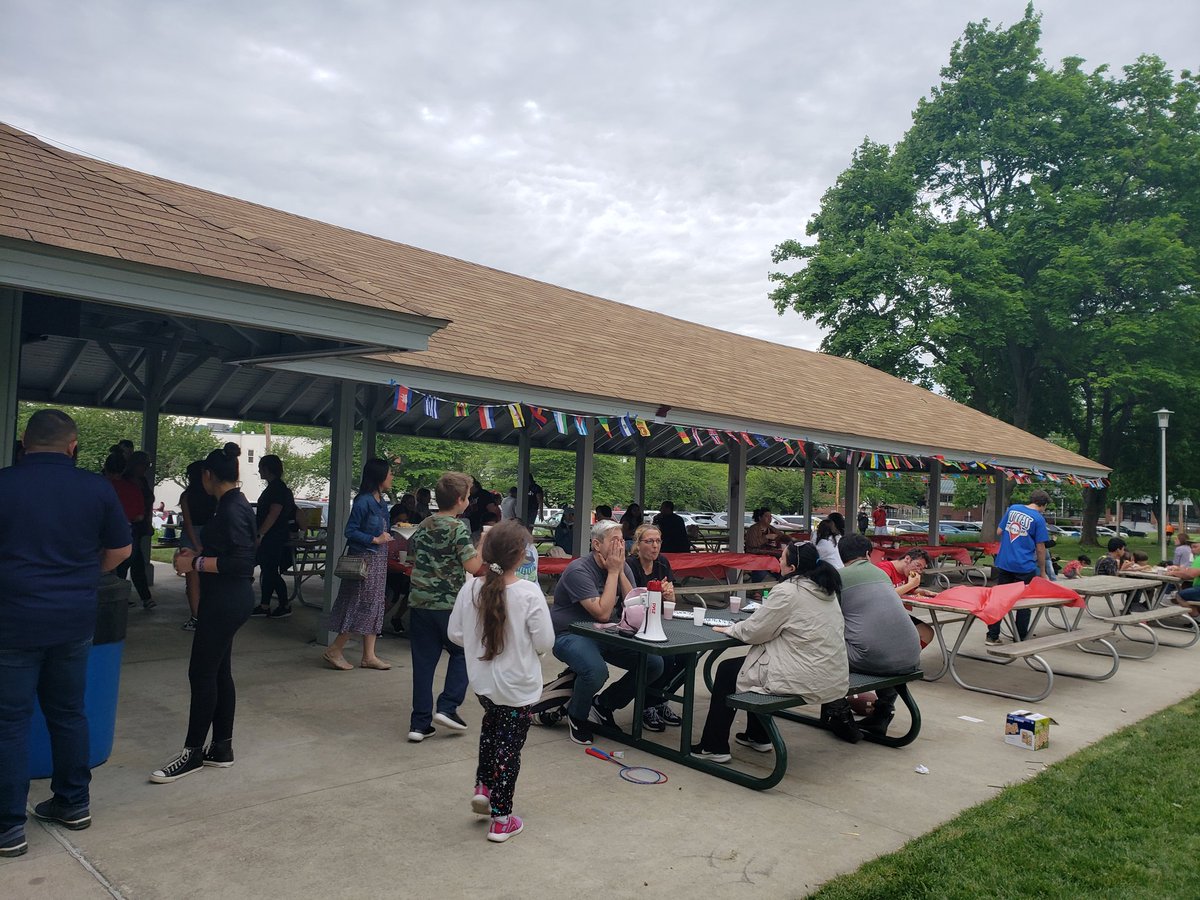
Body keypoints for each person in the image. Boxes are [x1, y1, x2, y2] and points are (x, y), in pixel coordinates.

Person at [0, 410, 132, 858]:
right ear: (73, 446)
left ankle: (7, 830)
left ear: (24, 442)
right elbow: (120, 548)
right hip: (74, 622)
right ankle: (73, 803)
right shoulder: (95, 488)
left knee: (9, 723)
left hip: (12, 624)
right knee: (69, 713)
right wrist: (82, 575)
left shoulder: (3, 484)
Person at [151, 445, 256, 783]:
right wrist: (196, 554)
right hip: (224, 599)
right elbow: (226, 550)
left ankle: (192, 752)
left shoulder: (231, 509)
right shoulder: (230, 505)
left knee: (201, 673)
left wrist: (194, 563)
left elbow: (241, 563)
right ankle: (221, 748)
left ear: (207, 476)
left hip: (227, 601)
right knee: (218, 672)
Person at [692, 542, 854, 762]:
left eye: (782, 557)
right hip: (830, 673)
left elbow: (754, 631)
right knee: (754, 664)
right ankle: (758, 736)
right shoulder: (826, 590)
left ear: (793, 567)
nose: (779, 561)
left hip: (804, 675)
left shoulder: (789, 591)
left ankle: (714, 746)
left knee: (728, 671)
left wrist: (730, 628)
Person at [448, 520, 554, 844]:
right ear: (522, 555)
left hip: (483, 685)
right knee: (509, 747)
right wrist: (533, 652)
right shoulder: (528, 592)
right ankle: (501, 817)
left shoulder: (470, 588)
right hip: (518, 686)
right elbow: (546, 640)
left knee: (491, 727)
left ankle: (484, 785)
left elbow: (455, 634)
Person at [550, 520, 665, 745]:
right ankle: (577, 715)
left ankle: (603, 705)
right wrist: (613, 572)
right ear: (596, 544)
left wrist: (620, 571)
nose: (620, 547)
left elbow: (636, 606)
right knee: (595, 671)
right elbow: (601, 613)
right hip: (570, 634)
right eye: (614, 541)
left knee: (653, 663)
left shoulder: (622, 565)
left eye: (622, 541)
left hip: (607, 633)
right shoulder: (578, 570)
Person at [406, 472, 484, 742]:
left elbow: (413, 555)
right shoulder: (458, 527)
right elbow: (473, 567)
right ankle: (448, 706)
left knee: (423, 663)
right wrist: (483, 544)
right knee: (464, 652)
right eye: (468, 497)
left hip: (419, 602)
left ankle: (419, 724)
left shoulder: (424, 523)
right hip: (449, 605)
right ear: (461, 500)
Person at [837, 535, 922, 736]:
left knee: (825, 650)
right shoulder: (881, 574)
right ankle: (882, 712)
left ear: (841, 556)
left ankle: (839, 714)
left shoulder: (838, 577)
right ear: (868, 554)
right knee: (883, 645)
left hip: (875, 659)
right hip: (912, 655)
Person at [322, 459, 395, 672]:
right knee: (359, 604)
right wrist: (375, 540)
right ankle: (335, 649)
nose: (392, 477)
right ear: (379, 476)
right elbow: (350, 531)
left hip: (379, 560)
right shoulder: (363, 501)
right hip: (365, 559)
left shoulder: (381, 501)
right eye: (390, 473)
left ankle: (369, 655)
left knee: (374, 605)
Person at [627, 524, 683, 731]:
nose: (655, 546)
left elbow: (671, 603)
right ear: (638, 545)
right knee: (665, 658)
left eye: (658, 541)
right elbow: (631, 602)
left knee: (687, 657)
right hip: (635, 626)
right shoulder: (630, 565)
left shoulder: (662, 563)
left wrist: (669, 596)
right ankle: (647, 706)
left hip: (659, 623)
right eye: (649, 541)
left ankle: (660, 700)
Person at [985, 489, 1051, 646]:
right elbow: (1040, 547)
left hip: (1004, 562)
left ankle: (992, 635)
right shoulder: (1038, 519)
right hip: (1024, 565)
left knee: (1000, 599)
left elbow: (999, 530)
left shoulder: (1013, 508)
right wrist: (1042, 571)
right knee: (1024, 603)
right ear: (1044, 505)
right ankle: (1020, 636)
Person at [103, 452, 154, 609]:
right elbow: (139, 511)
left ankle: (119, 595)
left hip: (119, 527)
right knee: (129, 561)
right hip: (131, 527)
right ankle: (125, 595)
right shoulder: (130, 485)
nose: (145, 469)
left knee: (125, 562)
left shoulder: (105, 485)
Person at [250, 454, 295, 619]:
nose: (259, 470)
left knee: (270, 571)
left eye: (261, 467)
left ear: (267, 469)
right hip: (274, 535)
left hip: (273, 536)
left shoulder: (277, 490)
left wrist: (260, 534)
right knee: (267, 571)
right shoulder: (276, 488)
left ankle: (285, 604)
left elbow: (273, 514)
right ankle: (265, 605)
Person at [178, 460, 217, 631]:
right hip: (210, 534)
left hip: (191, 536)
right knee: (208, 578)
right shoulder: (213, 495)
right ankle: (210, 615)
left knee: (192, 580)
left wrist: (195, 544)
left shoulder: (187, 496)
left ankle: (195, 617)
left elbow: (187, 522)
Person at [874, 548, 936, 648]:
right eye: (918, 565)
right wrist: (911, 584)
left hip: (896, 613)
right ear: (907, 559)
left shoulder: (905, 573)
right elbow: (886, 594)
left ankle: (909, 658)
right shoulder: (884, 568)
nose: (919, 571)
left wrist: (924, 592)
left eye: (922, 568)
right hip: (879, 615)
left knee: (927, 633)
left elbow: (908, 589)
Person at [125, 451, 156, 607]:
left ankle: (142, 596)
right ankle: (143, 596)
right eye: (143, 465)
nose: (145, 468)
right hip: (128, 524)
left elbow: (149, 504)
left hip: (140, 524)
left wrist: (148, 522)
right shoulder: (125, 481)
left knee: (136, 560)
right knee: (131, 560)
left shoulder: (142, 481)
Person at [386, 504, 413, 635]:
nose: (404, 524)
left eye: (406, 521)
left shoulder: (405, 536)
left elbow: (407, 553)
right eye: (401, 521)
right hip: (388, 570)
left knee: (411, 592)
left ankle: (396, 617)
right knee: (392, 595)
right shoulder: (387, 533)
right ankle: (377, 622)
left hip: (402, 568)